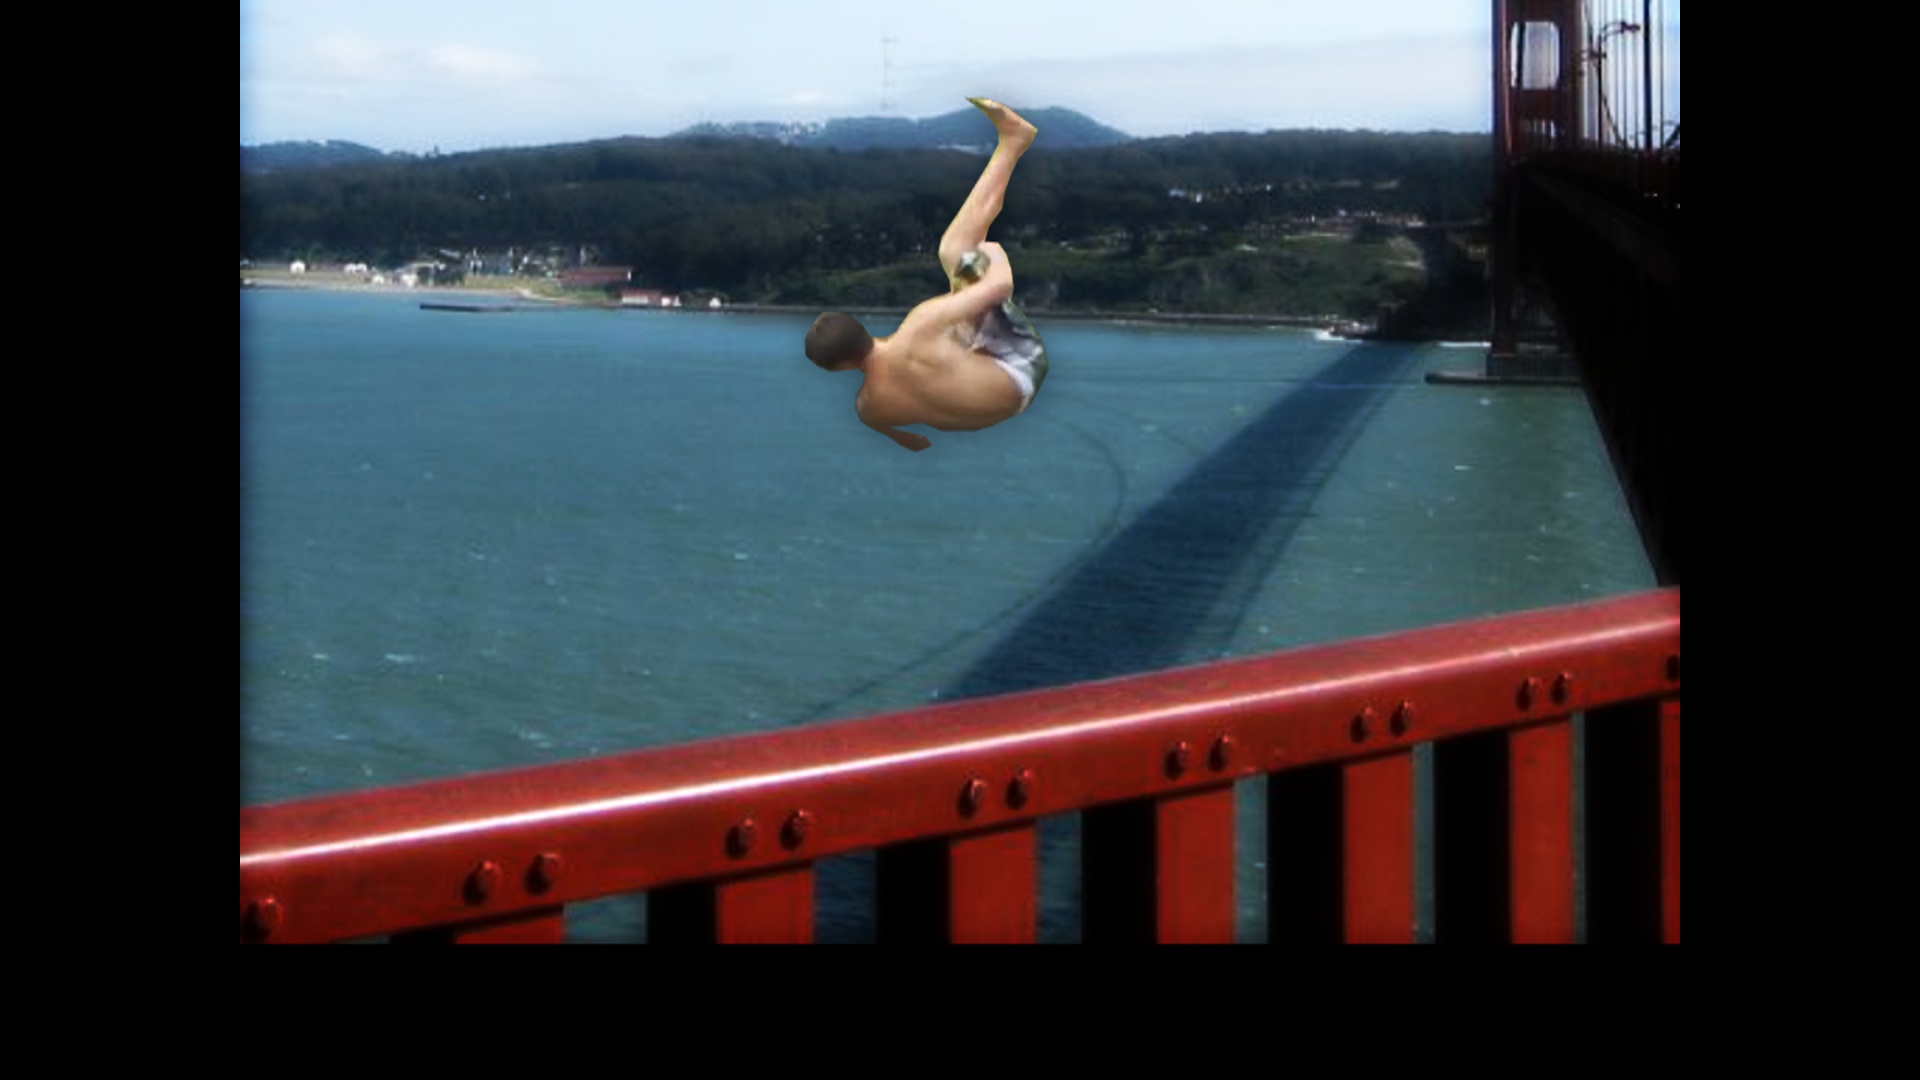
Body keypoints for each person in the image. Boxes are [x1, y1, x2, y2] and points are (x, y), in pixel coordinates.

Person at [804, 98, 1048, 452]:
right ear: (860, 328)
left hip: (1008, 405)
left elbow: (915, 443)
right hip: (1020, 366)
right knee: (954, 249)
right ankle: (1013, 141)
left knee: (951, 327)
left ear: (838, 367)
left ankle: (1012, 145)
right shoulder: (918, 329)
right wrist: (993, 251)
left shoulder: (870, 409)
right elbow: (1000, 287)